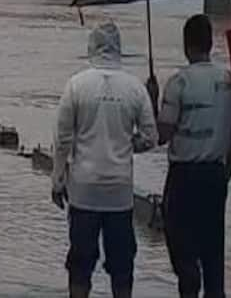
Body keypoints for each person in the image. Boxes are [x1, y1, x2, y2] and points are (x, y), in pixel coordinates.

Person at [52, 21, 158, 298]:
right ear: (119, 49)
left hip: (83, 192)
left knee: (80, 265)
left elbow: (62, 140)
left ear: (92, 47)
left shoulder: (76, 85)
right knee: (122, 267)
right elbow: (150, 137)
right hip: (119, 195)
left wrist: (57, 179)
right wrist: (126, 145)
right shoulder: (135, 89)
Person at [156, 14, 231, 298]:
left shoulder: (178, 83)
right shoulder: (229, 81)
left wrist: (153, 98)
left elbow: (162, 134)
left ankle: (189, 278)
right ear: (210, 43)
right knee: (213, 251)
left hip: (183, 177)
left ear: (186, 45)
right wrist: (227, 171)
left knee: (179, 242)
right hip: (215, 176)